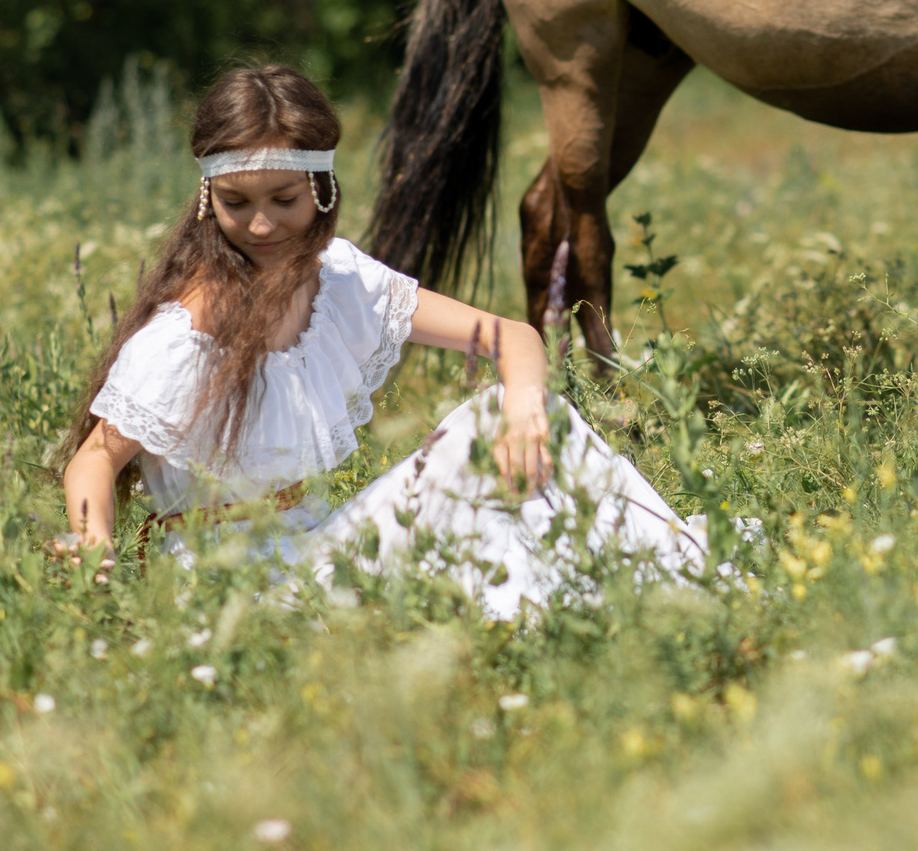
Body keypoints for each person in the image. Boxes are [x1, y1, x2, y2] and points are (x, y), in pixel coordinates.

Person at [46, 64, 703, 618]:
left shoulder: (341, 282)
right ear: (206, 197)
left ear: (322, 187)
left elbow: (513, 337)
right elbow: (95, 458)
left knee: (520, 417)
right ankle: (584, 605)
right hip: (224, 582)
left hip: (323, 544)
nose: (263, 222)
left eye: (283, 197)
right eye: (236, 202)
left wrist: (525, 409)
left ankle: (666, 576)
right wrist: (95, 542)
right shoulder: (190, 325)